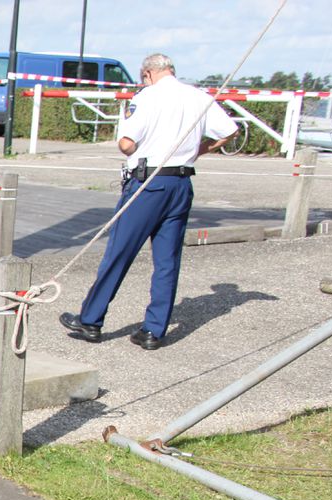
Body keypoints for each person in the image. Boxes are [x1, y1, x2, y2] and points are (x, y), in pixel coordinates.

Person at [60, 53, 238, 350]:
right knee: (167, 261)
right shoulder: (199, 96)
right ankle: (153, 331)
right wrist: (198, 150)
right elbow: (230, 132)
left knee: (119, 251)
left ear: (147, 74)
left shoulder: (147, 97)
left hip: (148, 184)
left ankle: (91, 320)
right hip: (180, 183)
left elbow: (127, 143)